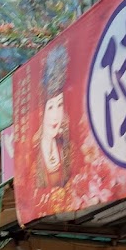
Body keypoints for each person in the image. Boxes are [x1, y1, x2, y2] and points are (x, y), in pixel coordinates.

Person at [35, 43, 71, 190]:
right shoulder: (31, 157)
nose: (56, 115)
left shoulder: (65, 145)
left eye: (60, 105)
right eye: (50, 107)